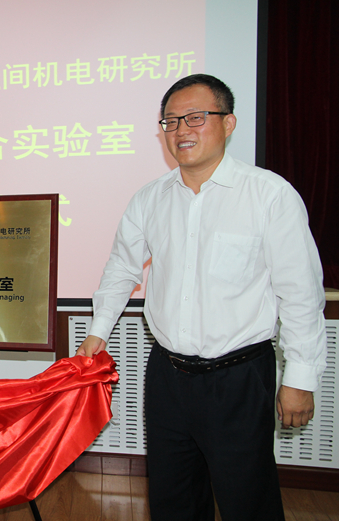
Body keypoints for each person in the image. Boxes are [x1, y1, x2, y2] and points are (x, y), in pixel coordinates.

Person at [76, 74, 327, 521]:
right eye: (170, 121)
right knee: (172, 498)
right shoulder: (150, 199)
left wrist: (300, 377)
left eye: (195, 117)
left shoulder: (269, 195)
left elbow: (300, 294)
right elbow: (121, 269)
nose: (180, 130)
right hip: (167, 375)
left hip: (239, 377)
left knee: (247, 500)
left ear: (228, 123)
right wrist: (98, 331)